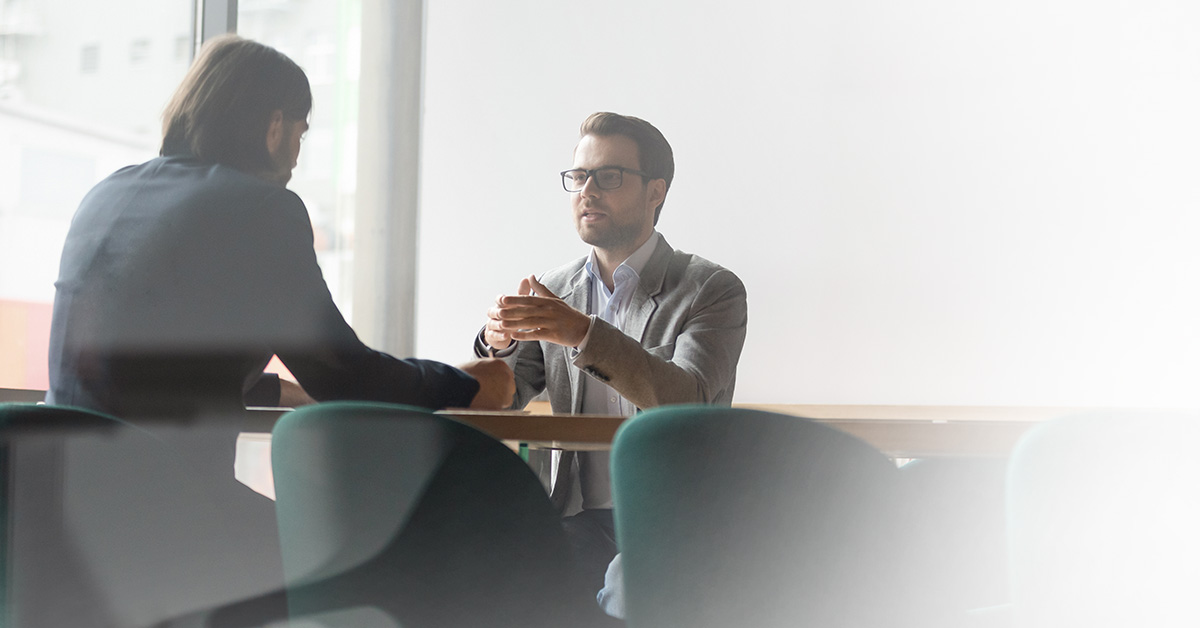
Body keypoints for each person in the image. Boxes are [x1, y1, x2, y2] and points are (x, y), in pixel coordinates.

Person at [46, 34, 514, 418]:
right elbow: (343, 373)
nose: (295, 157)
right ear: (274, 126)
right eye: (299, 134)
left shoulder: (107, 193)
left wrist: (287, 391)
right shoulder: (260, 210)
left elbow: (154, 372)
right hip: (160, 507)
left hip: (49, 498)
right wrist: (465, 385)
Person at [473, 112, 748, 599]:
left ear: (656, 191)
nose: (588, 190)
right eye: (579, 176)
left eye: (609, 176)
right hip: (580, 518)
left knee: (627, 587)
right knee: (496, 578)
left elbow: (688, 399)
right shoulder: (557, 289)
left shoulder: (710, 289)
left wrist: (584, 333)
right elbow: (502, 399)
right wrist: (501, 343)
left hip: (678, 520)